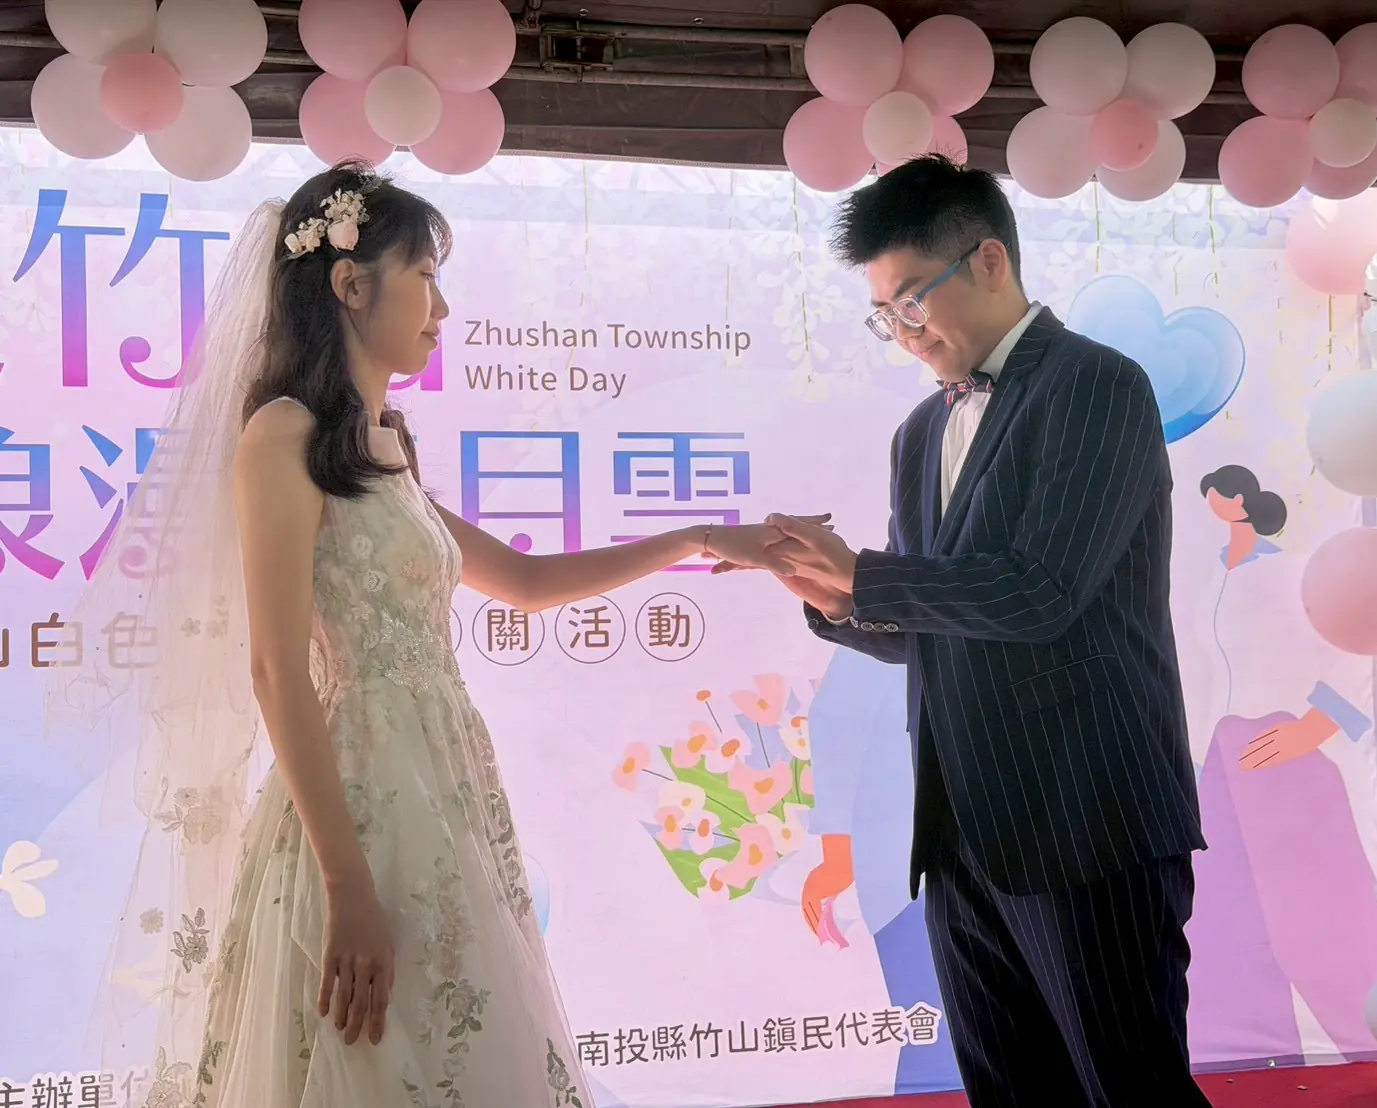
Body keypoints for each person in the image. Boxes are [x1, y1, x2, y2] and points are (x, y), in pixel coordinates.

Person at [50, 161, 810, 1108]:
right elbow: (277, 671)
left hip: (441, 782)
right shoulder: (281, 434)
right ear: (349, 282)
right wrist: (345, 883)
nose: (442, 308)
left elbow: (523, 583)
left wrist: (697, 539)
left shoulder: (378, 446)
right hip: (359, 795)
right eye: (426, 276)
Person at [723, 154, 1209, 1106]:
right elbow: (936, 624)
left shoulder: (1095, 385)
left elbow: (1040, 592)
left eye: (912, 301)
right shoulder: (917, 432)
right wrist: (840, 602)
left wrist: (868, 575)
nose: (903, 332)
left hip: (1087, 818)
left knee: (1130, 1087)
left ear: (989, 261)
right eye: (883, 314)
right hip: (957, 833)